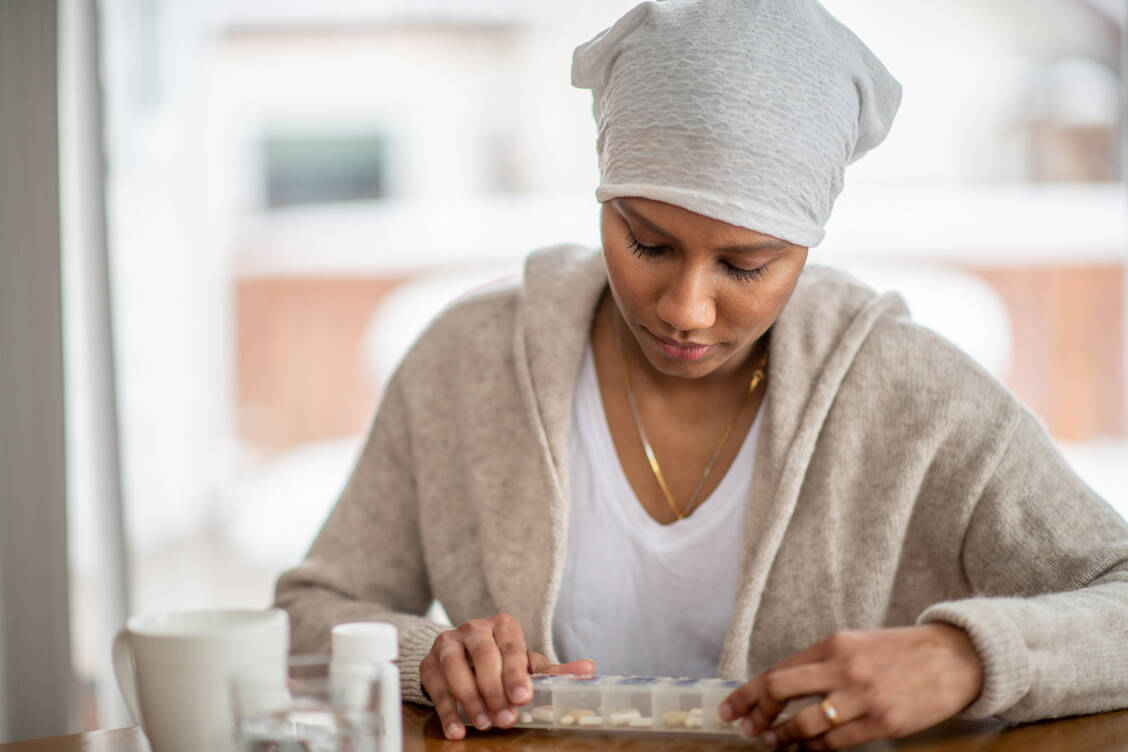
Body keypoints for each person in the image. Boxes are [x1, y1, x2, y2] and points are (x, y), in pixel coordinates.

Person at [274, 1, 1128, 748]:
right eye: (646, 243)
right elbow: (310, 611)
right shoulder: (463, 363)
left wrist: (966, 659)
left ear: (806, 248)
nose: (685, 308)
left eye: (746, 265)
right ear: (603, 200)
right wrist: (430, 658)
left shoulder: (917, 397)